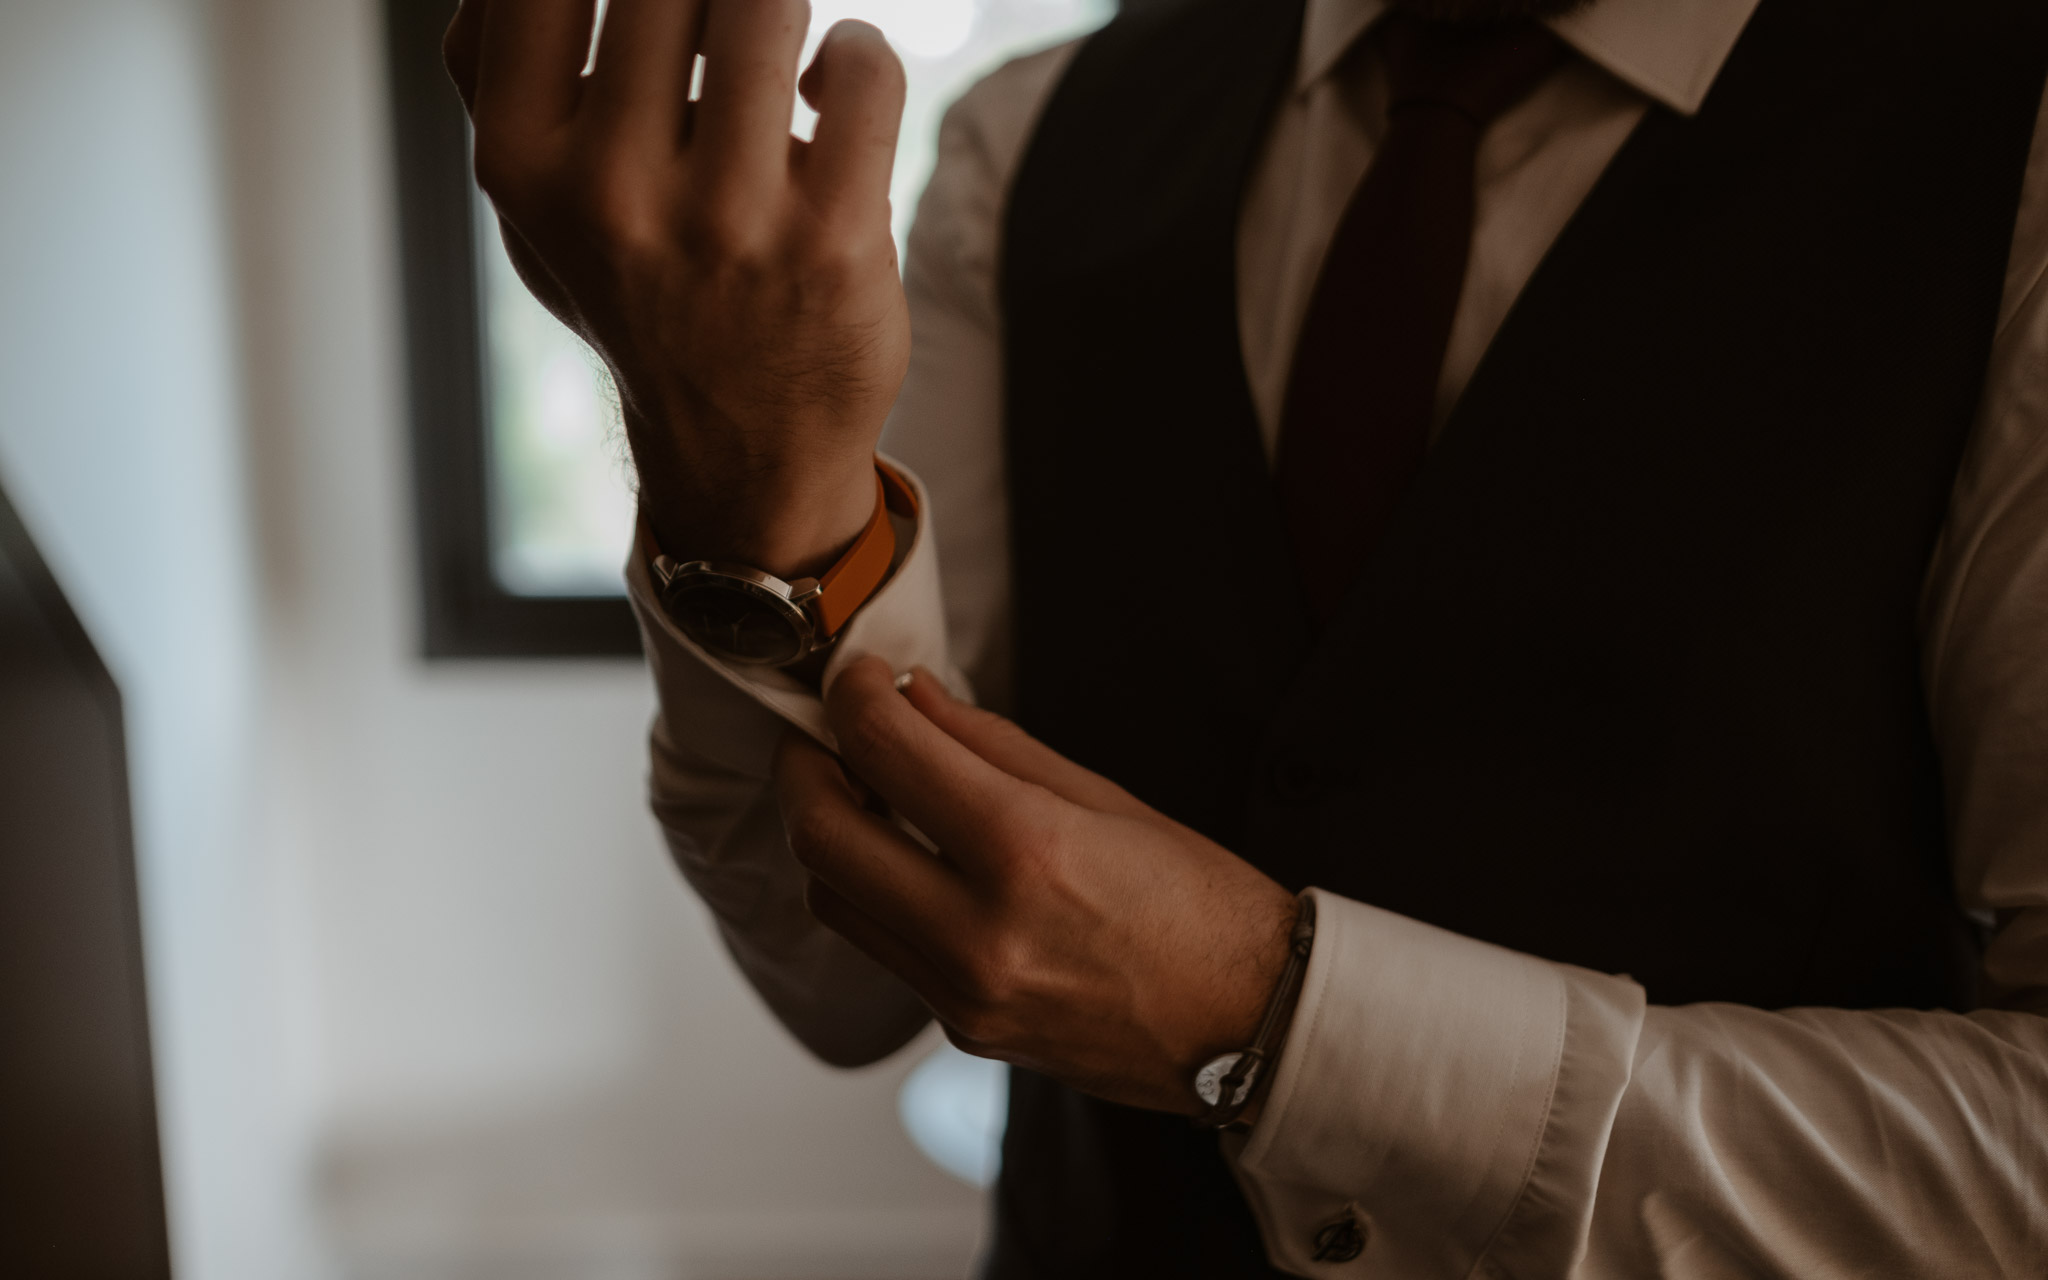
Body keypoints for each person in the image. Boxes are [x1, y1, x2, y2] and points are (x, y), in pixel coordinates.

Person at [442, 0, 2048, 1273]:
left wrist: (1280, 1024)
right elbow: (837, 982)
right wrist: (752, 481)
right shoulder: (1036, 142)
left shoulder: (2012, 143)